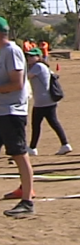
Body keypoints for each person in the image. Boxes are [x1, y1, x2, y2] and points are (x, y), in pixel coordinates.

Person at [0, 17, 36, 217]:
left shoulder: (11, 51)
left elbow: (16, 84)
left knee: (19, 154)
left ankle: (27, 200)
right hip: (1, 110)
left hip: (12, 111)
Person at [25, 48, 71, 156]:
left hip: (43, 101)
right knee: (52, 123)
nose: (29, 58)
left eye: (32, 56)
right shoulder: (43, 66)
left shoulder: (38, 66)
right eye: (28, 56)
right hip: (46, 100)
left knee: (38, 124)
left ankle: (33, 148)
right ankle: (64, 144)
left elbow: (25, 78)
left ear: (38, 57)